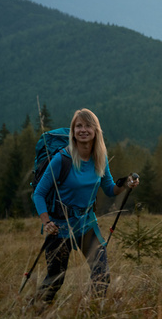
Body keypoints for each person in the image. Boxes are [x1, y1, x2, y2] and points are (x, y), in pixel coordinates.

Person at [32, 108, 139, 305]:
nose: (83, 130)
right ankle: (34, 312)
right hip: (59, 226)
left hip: (86, 223)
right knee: (56, 279)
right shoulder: (61, 159)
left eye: (88, 125)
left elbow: (109, 189)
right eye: (78, 126)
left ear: (96, 130)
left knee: (102, 274)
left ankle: (90, 314)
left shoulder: (100, 157)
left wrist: (125, 184)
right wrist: (46, 222)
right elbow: (38, 193)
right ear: (73, 131)